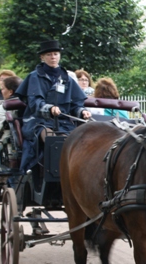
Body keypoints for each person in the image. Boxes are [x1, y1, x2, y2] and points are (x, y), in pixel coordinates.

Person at [15, 40, 90, 172]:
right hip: (37, 123)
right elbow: (34, 103)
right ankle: (55, 174)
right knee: (54, 140)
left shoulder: (67, 78)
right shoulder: (34, 77)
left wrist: (82, 111)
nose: (53, 57)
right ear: (42, 57)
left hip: (63, 123)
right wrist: (49, 109)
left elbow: (75, 104)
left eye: (55, 54)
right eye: (49, 54)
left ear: (59, 56)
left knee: (82, 139)